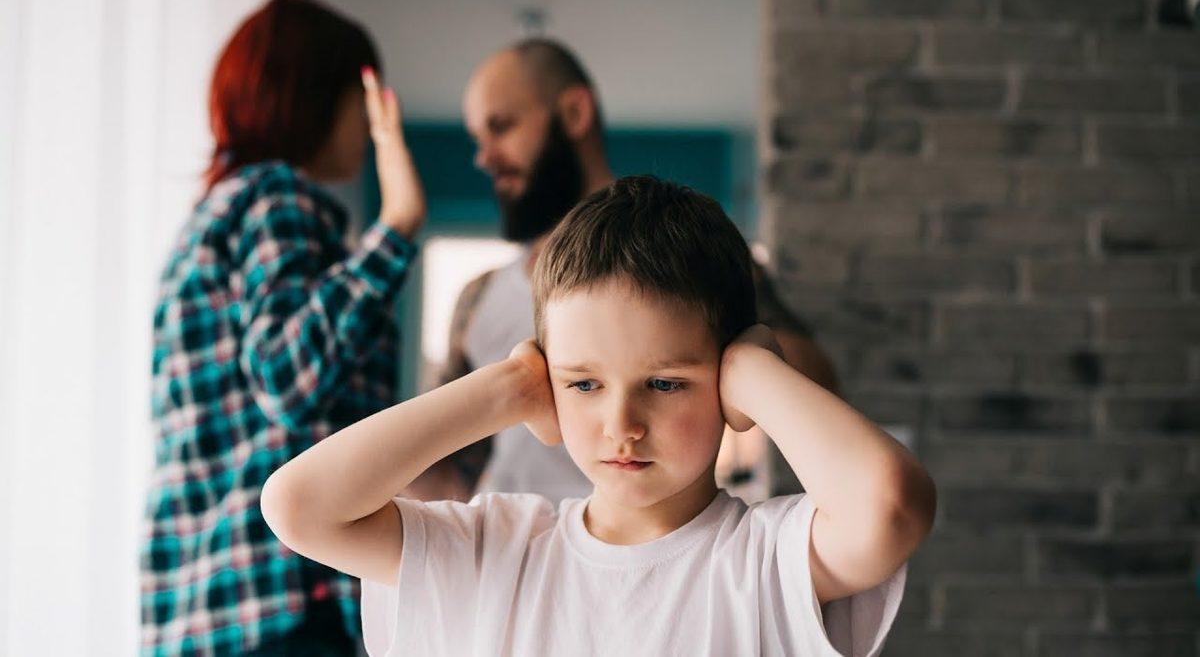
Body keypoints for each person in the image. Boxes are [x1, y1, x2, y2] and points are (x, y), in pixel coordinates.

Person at [261, 175, 936, 656]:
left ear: (728, 382)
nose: (623, 423)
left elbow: (892, 504)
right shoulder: (497, 549)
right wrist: (505, 388)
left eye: (666, 382)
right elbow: (299, 505)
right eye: (583, 383)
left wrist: (757, 370)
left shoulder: (765, 559)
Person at [414, 38, 839, 504]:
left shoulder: (687, 257)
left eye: (502, 127)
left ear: (575, 113)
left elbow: (816, 381)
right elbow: (448, 471)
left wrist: (728, 362)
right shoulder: (478, 297)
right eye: (479, 138)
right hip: (516, 556)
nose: (484, 157)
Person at [141, 0, 426, 655]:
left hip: (203, 610)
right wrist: (401, 222)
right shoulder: (277, 198)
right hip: (284, 601)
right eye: (364, 93)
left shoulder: (209, 219)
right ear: (319, 94)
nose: (371, 117)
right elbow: (286, 376)